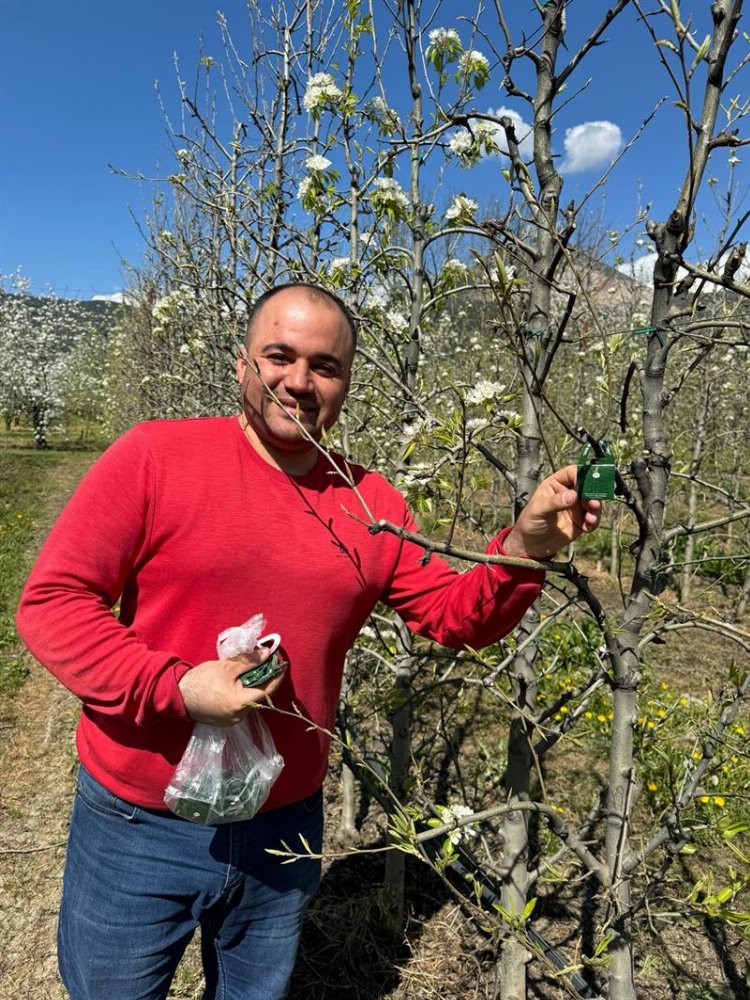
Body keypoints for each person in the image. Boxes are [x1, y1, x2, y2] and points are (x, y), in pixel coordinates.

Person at [16, 283, 601, 1000]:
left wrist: (523, 545)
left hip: (281, 823)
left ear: (347, 382)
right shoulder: (155, 457)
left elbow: (456, 617)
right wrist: (177, 688)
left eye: (325, 365)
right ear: (241, 365)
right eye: (279, 356)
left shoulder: (371, 506)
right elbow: (52, 604)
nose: (299, 380)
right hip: (141, 818)